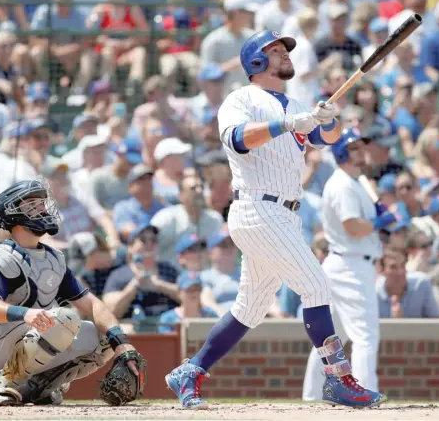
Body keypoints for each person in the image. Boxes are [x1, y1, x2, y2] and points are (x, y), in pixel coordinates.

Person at [165, 30, 386, 410]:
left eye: (285, 50)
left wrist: (328, 120)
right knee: (316, 287)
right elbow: (235, 139)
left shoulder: (295, 101)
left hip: (284, 213)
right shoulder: (241, 99)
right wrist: (287, 124)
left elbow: (326, 138)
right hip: (256, 207)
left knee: (249, 308)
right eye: (275, 50)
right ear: (255, 61)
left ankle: (192, 370)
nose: (285, 55)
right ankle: (339, 380)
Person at [0, 179, 143, 405]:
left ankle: (34, 389)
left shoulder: (54, 259)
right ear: (12, 213)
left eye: (42, 202)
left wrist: (122, 343)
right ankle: (5, 385)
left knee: (104, 337)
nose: (42, 208)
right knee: (64, 318)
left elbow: (92, 305)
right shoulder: (1, 257)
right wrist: (25, 314)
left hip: (23, 340)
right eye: (32, 203)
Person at [303, 128, 397, 401]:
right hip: (349, 266)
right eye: (354, 147)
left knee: (331, 340)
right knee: (366, 336)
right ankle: (366, 392)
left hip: (349, 264)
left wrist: (381, 216)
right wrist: (379, 222)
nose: (360, 151)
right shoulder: (342, 184)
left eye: (360, 146)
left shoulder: (356, 181)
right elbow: (353, 226)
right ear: (342, 151)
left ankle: (311, 396)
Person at [376, 249, 439, 319]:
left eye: (403, 265)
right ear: (382, 271)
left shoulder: (422, 284)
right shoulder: (374, 294)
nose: (400, 272)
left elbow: (435, 320)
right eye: (393, 267)